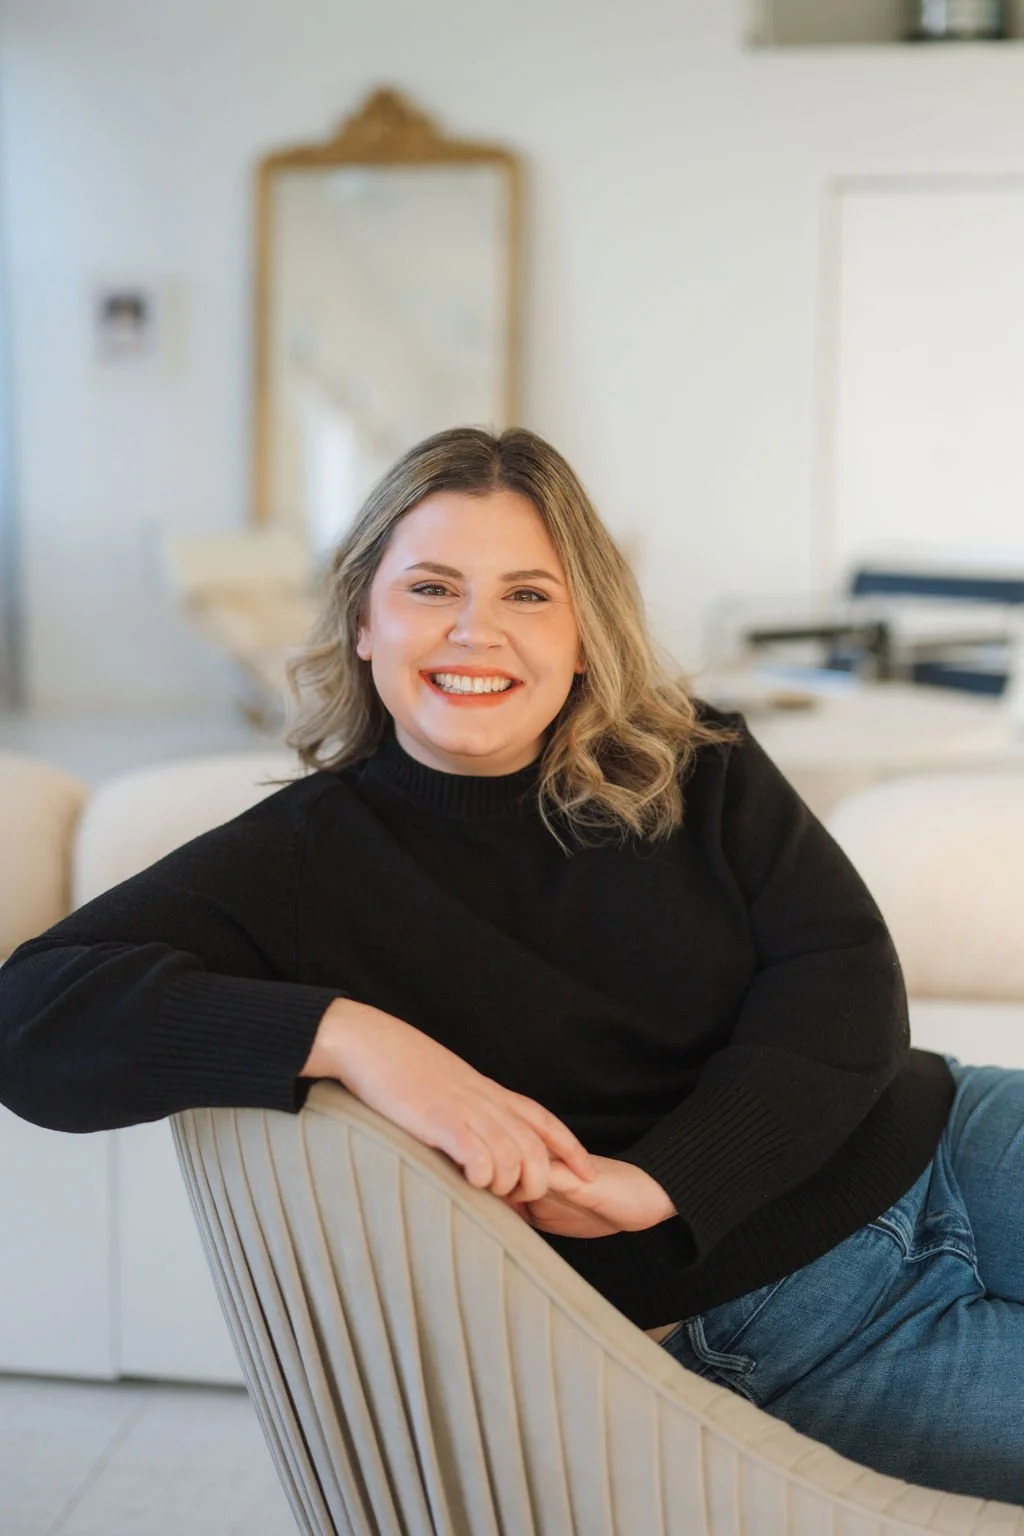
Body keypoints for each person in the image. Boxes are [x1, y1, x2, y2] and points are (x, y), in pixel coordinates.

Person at [0, 425, 1021, 1506]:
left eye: (528, 595)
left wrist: (665, 1179)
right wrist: (350, 1034)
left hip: (948, 1135)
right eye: (432, 588)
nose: (475, 632)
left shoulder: (691, 761)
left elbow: (845, 982)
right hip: (776, 1318)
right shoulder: (297, 861)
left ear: (584, 631)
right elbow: (29, 1020)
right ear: (363, 619)